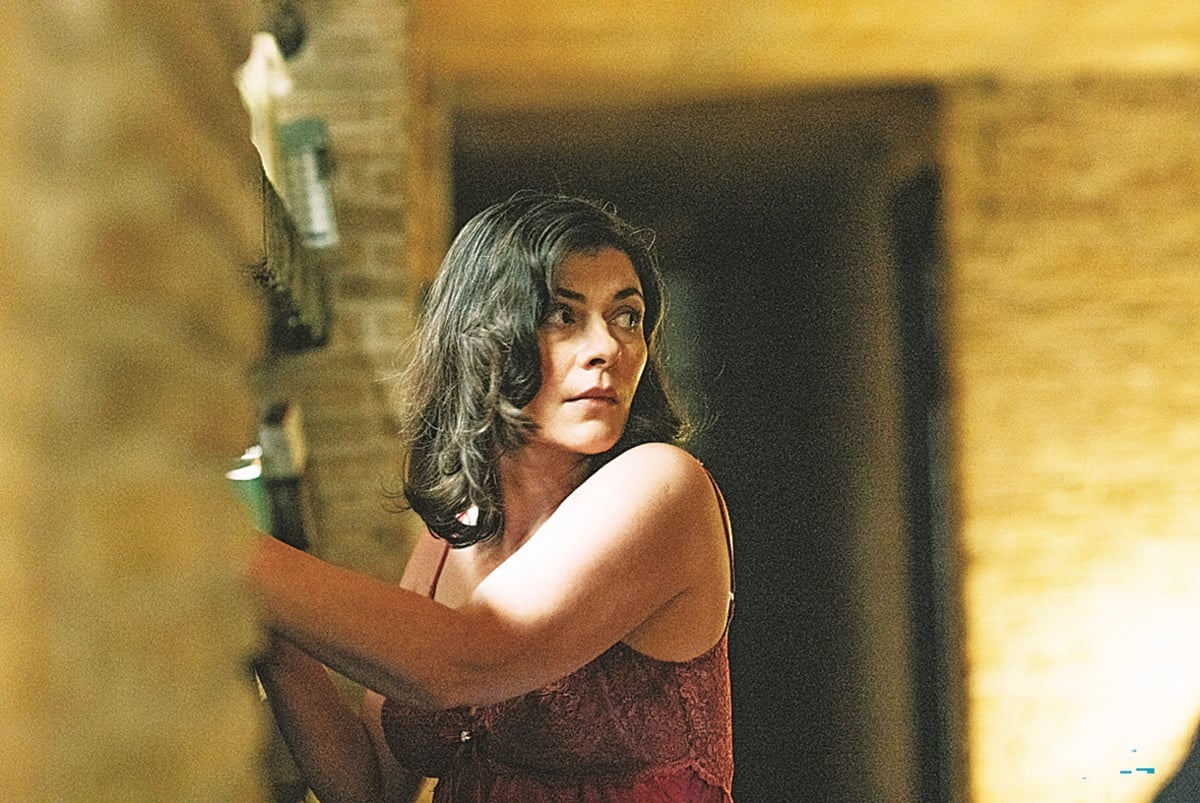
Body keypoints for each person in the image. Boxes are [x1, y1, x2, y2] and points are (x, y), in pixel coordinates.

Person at [249, 191, 735, 802]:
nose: (608, 347)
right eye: (562, 314)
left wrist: (218, 543)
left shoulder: (664, 486)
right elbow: (372, 787)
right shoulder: (454, 533)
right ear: (483, 339)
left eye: (627, 316)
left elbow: (463, 661)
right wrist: (273, 635)